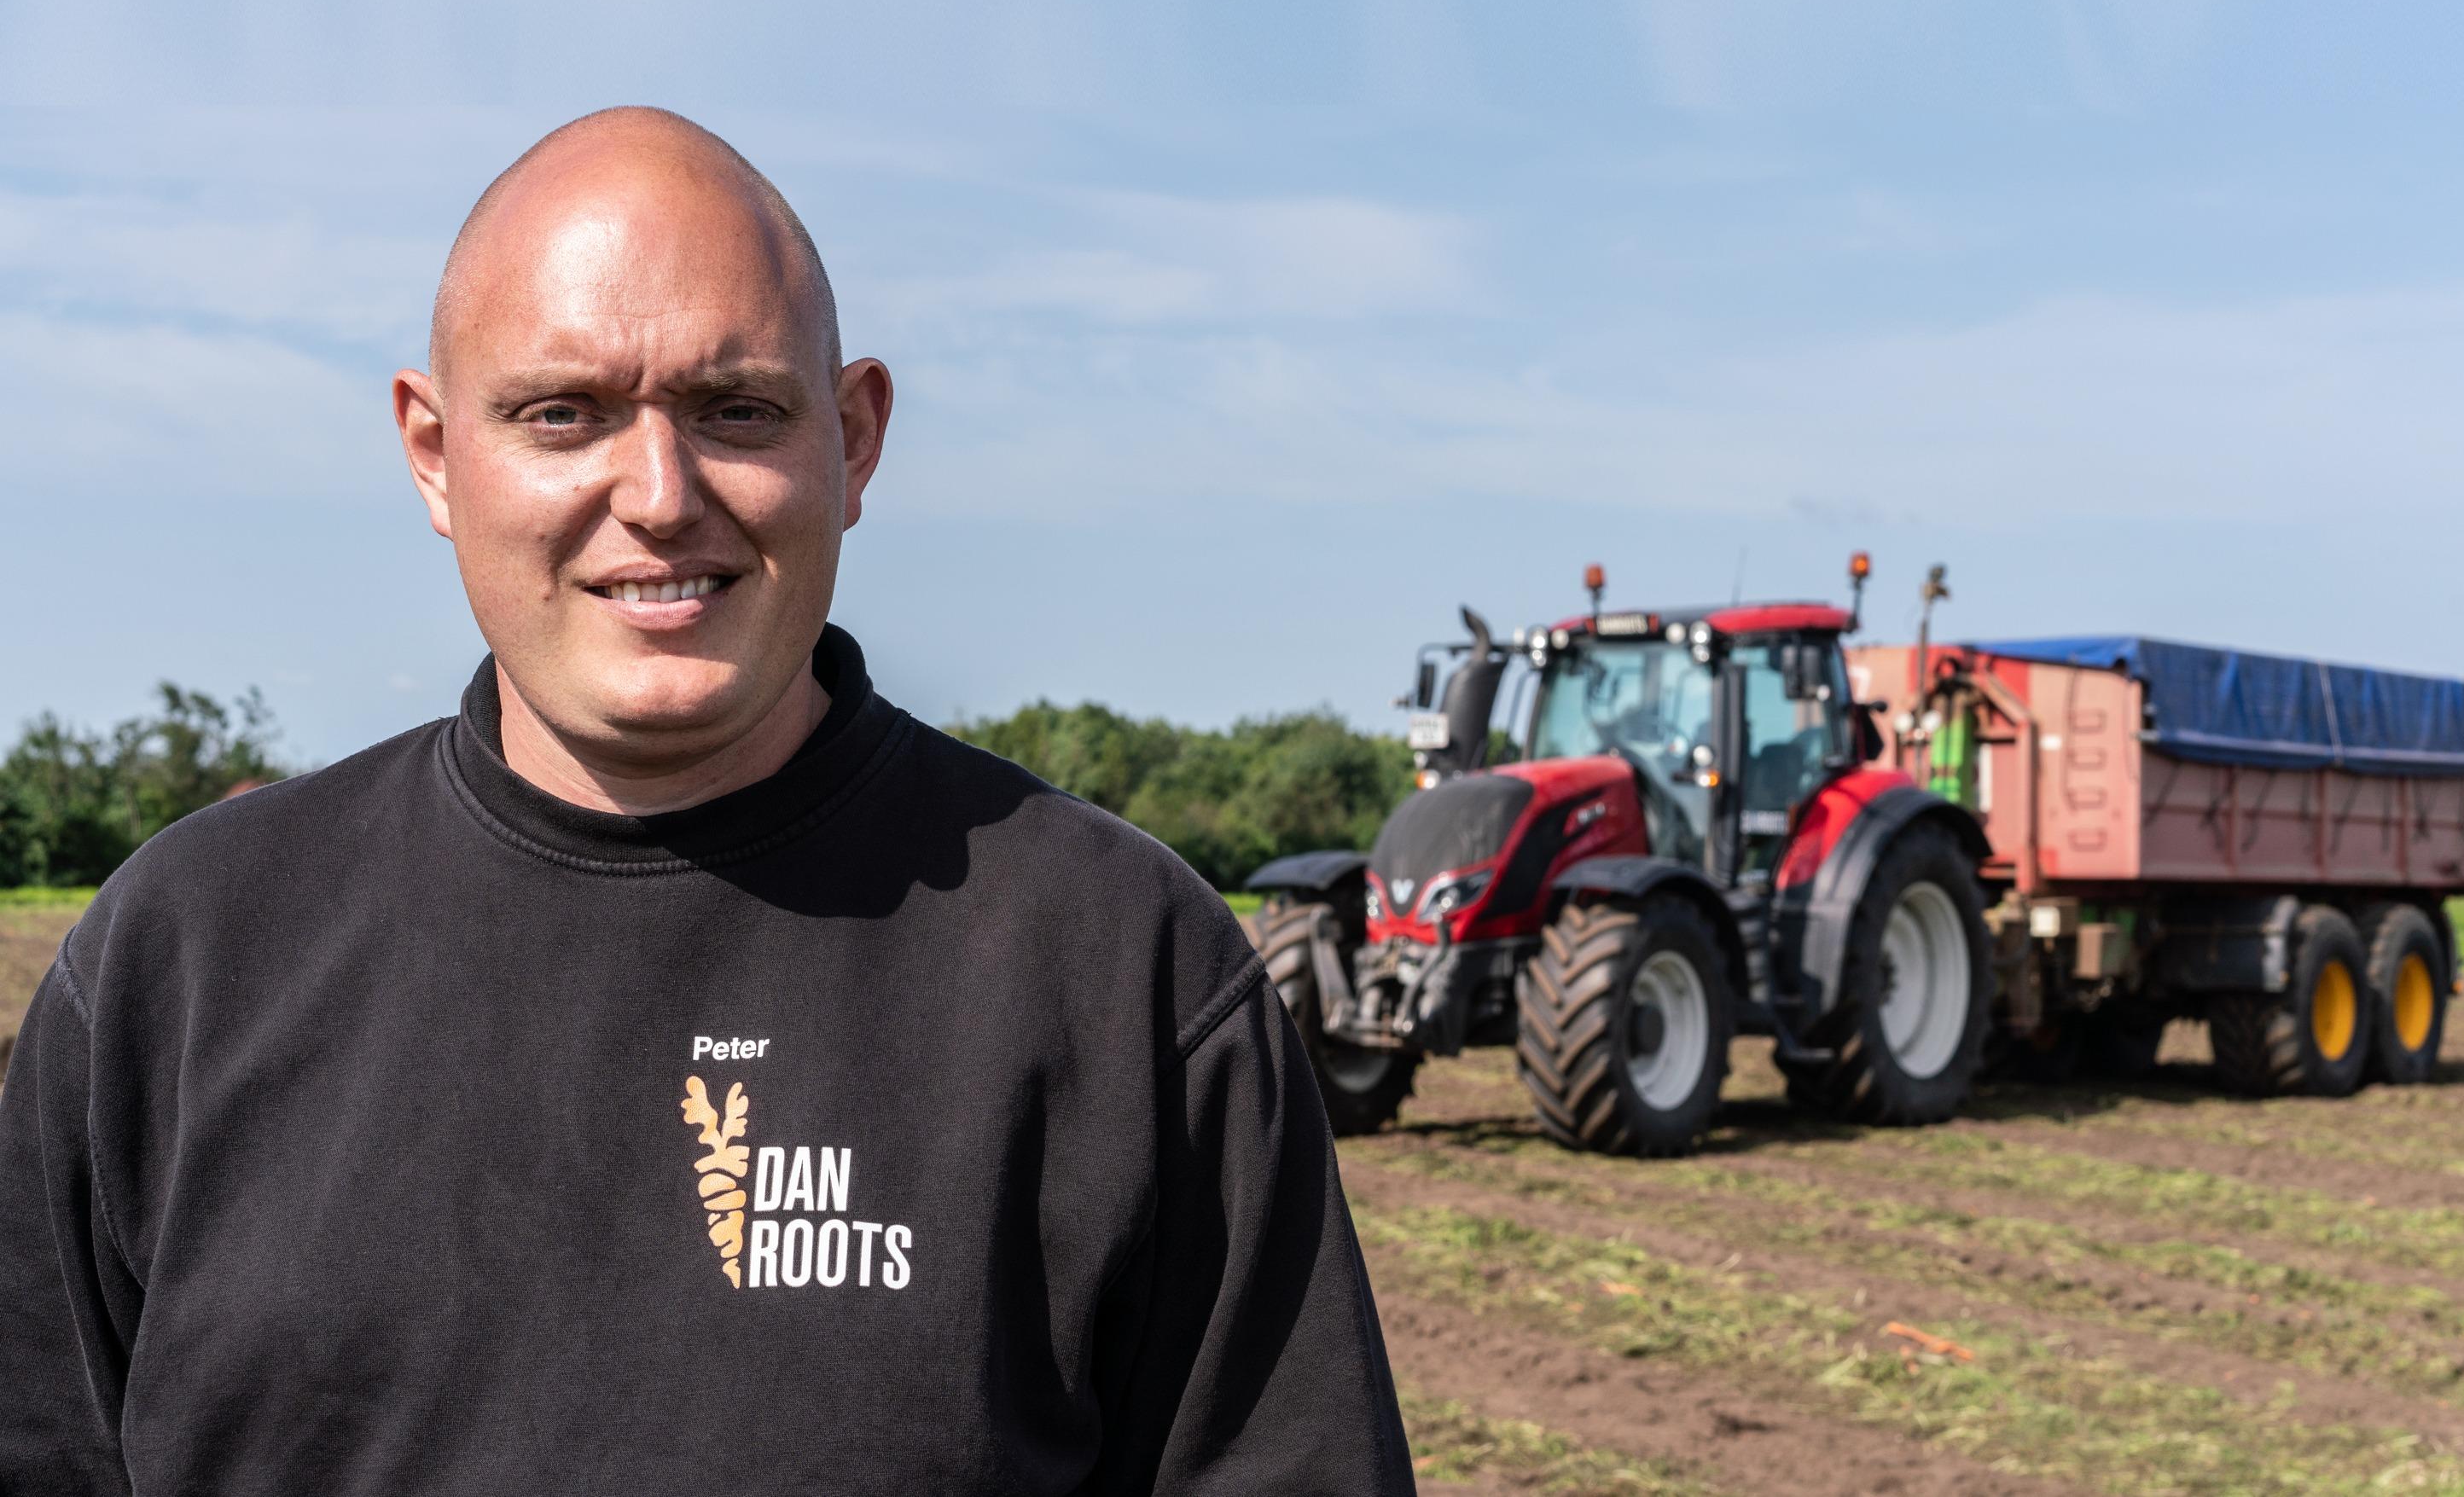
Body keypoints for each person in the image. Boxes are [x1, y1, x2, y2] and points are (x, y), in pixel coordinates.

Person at [0, 107, 1414, 1495]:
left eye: (736, 410)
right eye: (565, 413)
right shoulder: (179, 962)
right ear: (435, 452)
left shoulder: (1121, 969)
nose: (661, 494)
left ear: (853, 441)